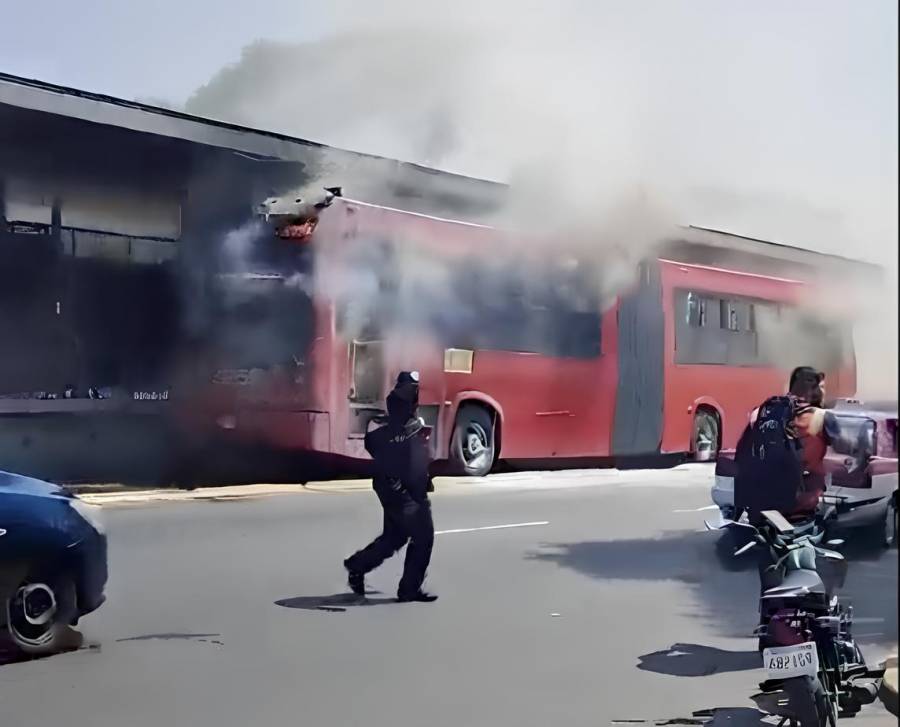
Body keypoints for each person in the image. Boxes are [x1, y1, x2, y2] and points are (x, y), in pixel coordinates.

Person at [344, 371, 438, 603]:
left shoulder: (400, 416)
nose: (415, 393)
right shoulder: (401, 408)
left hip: (399, 487)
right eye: (414, 388)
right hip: (402, 490)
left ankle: (358, 566)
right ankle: (408, 590)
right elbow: (393, 448)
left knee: (395, 536)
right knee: (423, 536)